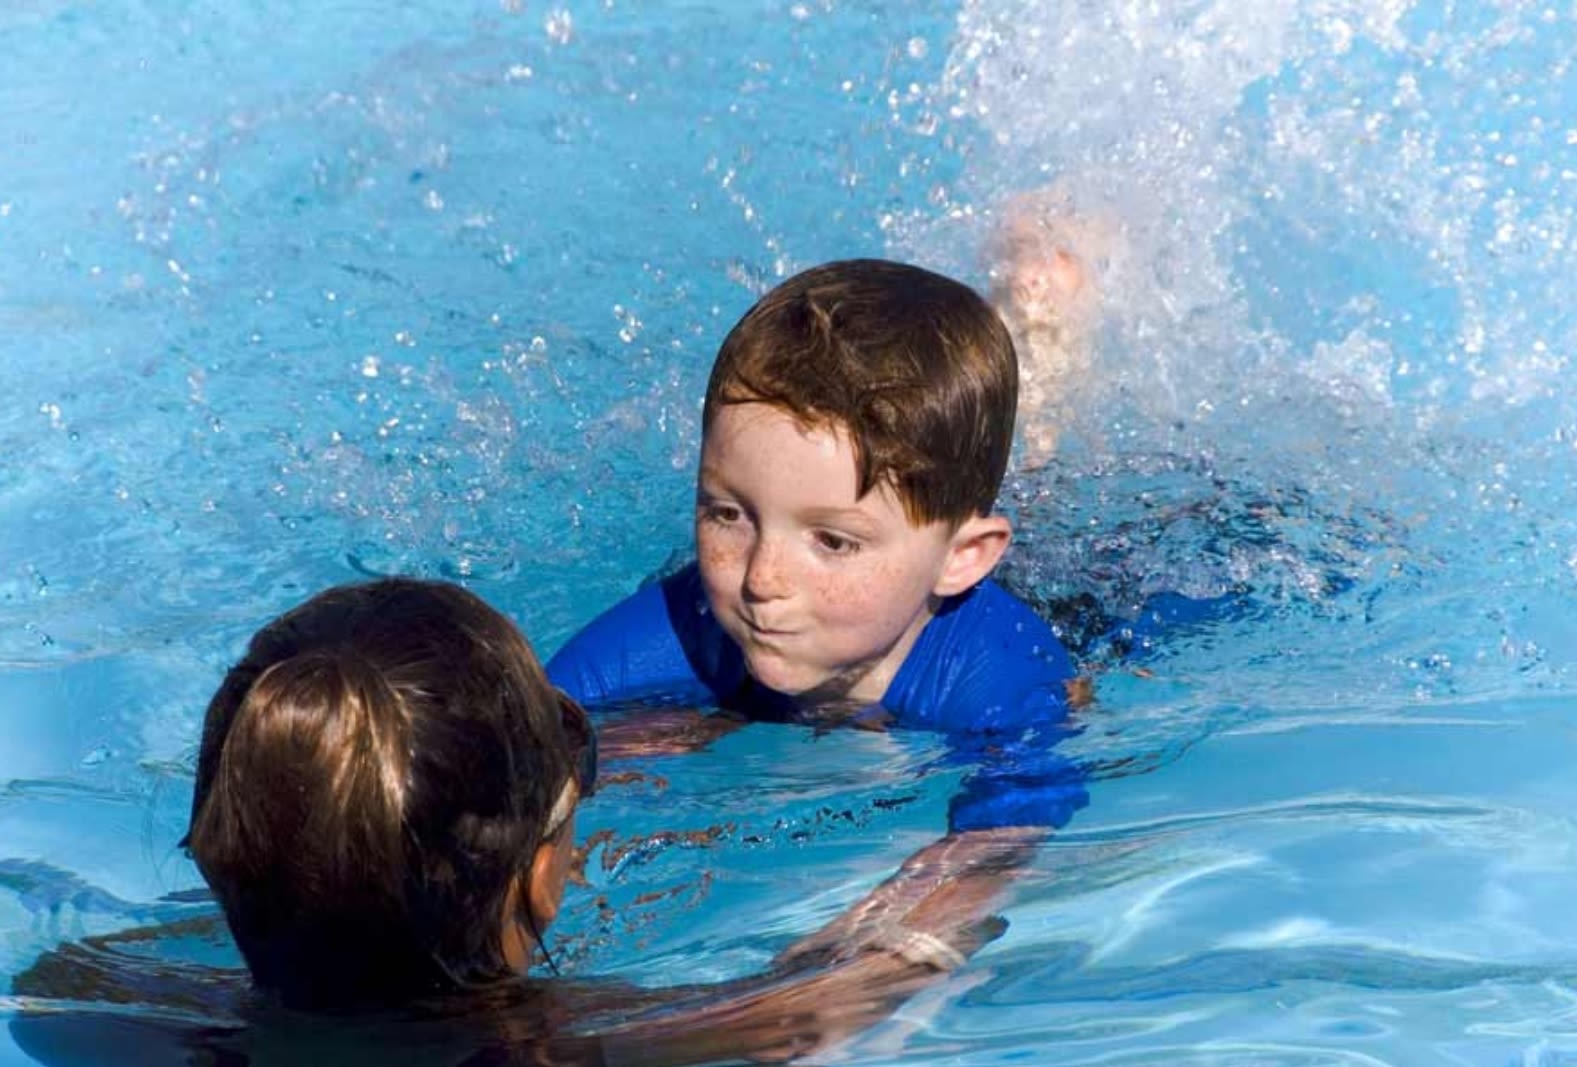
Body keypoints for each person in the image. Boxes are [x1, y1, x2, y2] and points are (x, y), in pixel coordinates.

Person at [9, 577, 1010, 1067]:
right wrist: (989, 843)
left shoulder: (97, 1012)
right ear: (542, 876)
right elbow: (832, 998)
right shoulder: (577, 1047)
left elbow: (61, 976)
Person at [546, 259, 1090, 960]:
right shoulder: (675, 631)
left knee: (1039, 482)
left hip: (1083, 588)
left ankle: (1041, 321)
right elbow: (523, 749)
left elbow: (1010, 827)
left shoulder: (997, 671)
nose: (762, 579)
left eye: (831, 539)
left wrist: (895, 939)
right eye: (727, 513)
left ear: (963, 557)